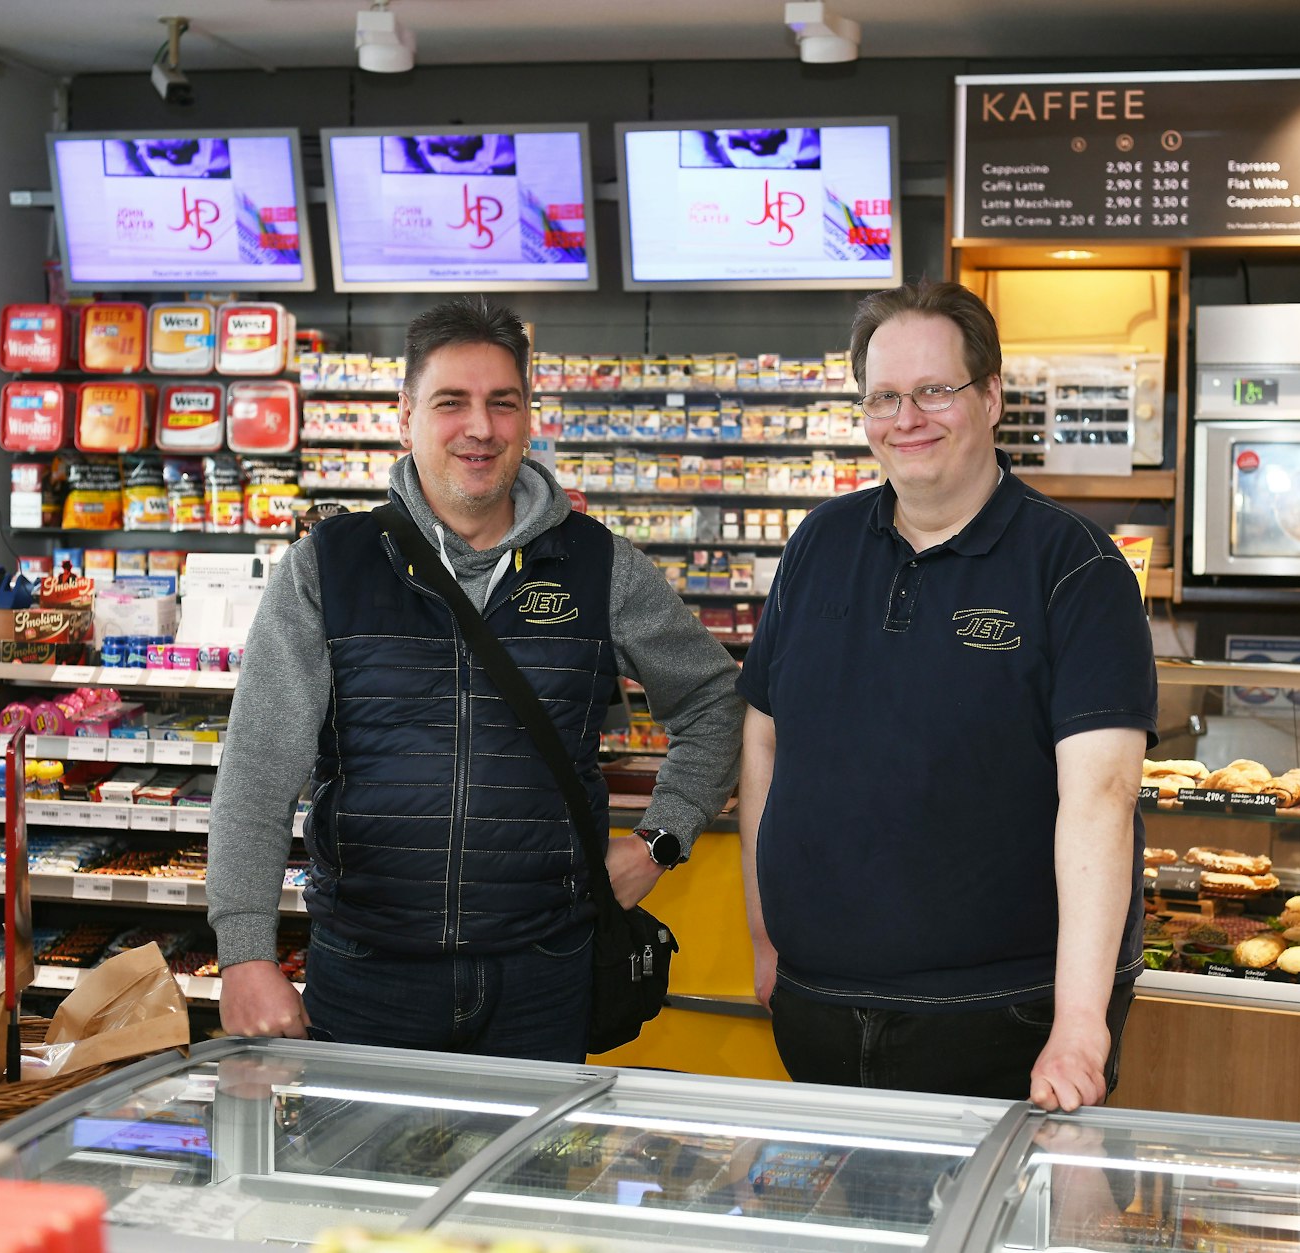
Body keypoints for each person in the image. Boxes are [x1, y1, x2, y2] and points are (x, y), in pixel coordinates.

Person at [209, 296, 743, 1062]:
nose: (480, 428)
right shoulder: (327, 567)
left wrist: (660, 839)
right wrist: (245, 949)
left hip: (545, 974)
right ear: (405, 417)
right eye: (451, 401)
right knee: (360, 1182)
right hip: (368, 972)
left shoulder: (599, 566)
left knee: (524, 1183)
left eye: (503, 402)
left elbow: (714, 700)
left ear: (529, 417)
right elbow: (258, 770)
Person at [737, 279, 1155, 1110]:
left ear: (992, 395)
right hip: (817, 1001)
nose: (907, 418)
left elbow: (1102, 799)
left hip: (1003, 1019)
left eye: (935, 390)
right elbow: (763, 741)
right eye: (884, 396)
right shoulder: (817, 545)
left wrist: (1079, 1023)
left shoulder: (1074, 568)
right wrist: (763, 936)